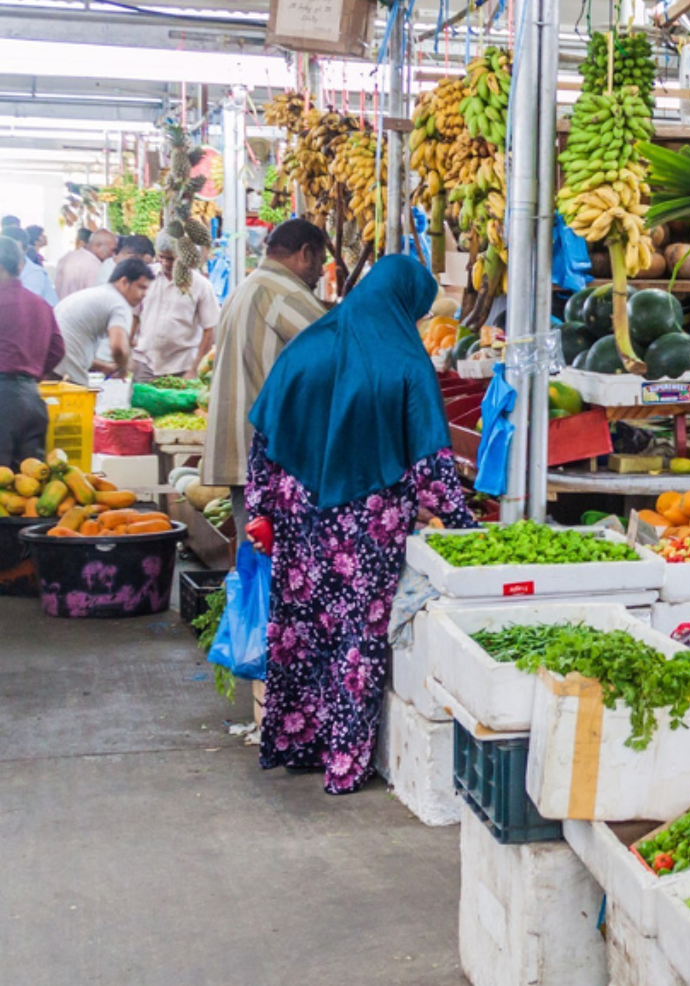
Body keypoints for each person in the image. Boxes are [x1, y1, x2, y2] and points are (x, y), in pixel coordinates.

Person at [246, 254, 475, 794]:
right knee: (356, 639)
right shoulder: (406, 360)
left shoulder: (310, 343)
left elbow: (264, 434)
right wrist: (463, 528)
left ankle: (298, 743)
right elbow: (431, 466)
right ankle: (342, 765)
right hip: (365, 528)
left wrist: (264, 505)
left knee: (300, 627)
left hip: (300, 514)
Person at [204, 219, 330, 528]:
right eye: (321, 261)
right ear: (305, 253)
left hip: (240, 449)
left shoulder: (247, 287)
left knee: (255, 555)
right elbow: (335, 353)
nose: (323, 271)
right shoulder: (284, 293)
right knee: (275, 561)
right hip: (270, 459)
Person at [0, 238, 64, 463]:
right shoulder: (41, 304)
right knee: (30, 483)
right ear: (19, 267)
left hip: (3, 399)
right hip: (33, 400)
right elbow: (57, 348)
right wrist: (33, 373)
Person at [130, 234, 222, 382]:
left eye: (172, 259)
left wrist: (194, 369)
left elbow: (209, 330)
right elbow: (133, 317)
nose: (166, 263)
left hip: (182, 367)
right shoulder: (144, 276)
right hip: (145, 363)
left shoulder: (201, 285)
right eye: (162, 257)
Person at [51, 257, 150, 385]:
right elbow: (118, 347)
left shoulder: (95, 294)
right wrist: (124, 367)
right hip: (66, 376)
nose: (144, 294)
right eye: (141, 288)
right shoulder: (119, 304)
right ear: (124, 282)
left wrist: (103, 366)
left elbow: (72, 346)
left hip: (50, 367)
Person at [2, 228, 56, 306]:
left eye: (15, 251)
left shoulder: (35, 274)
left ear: (26, 250)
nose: (11, 255)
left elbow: (23, 307)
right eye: (7, 251)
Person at [53, 229, 112, 299]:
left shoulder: (65, 258)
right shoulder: (94, 265)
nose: (113, 255)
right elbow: (95, 299)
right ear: (99, 246)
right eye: (112, 250)